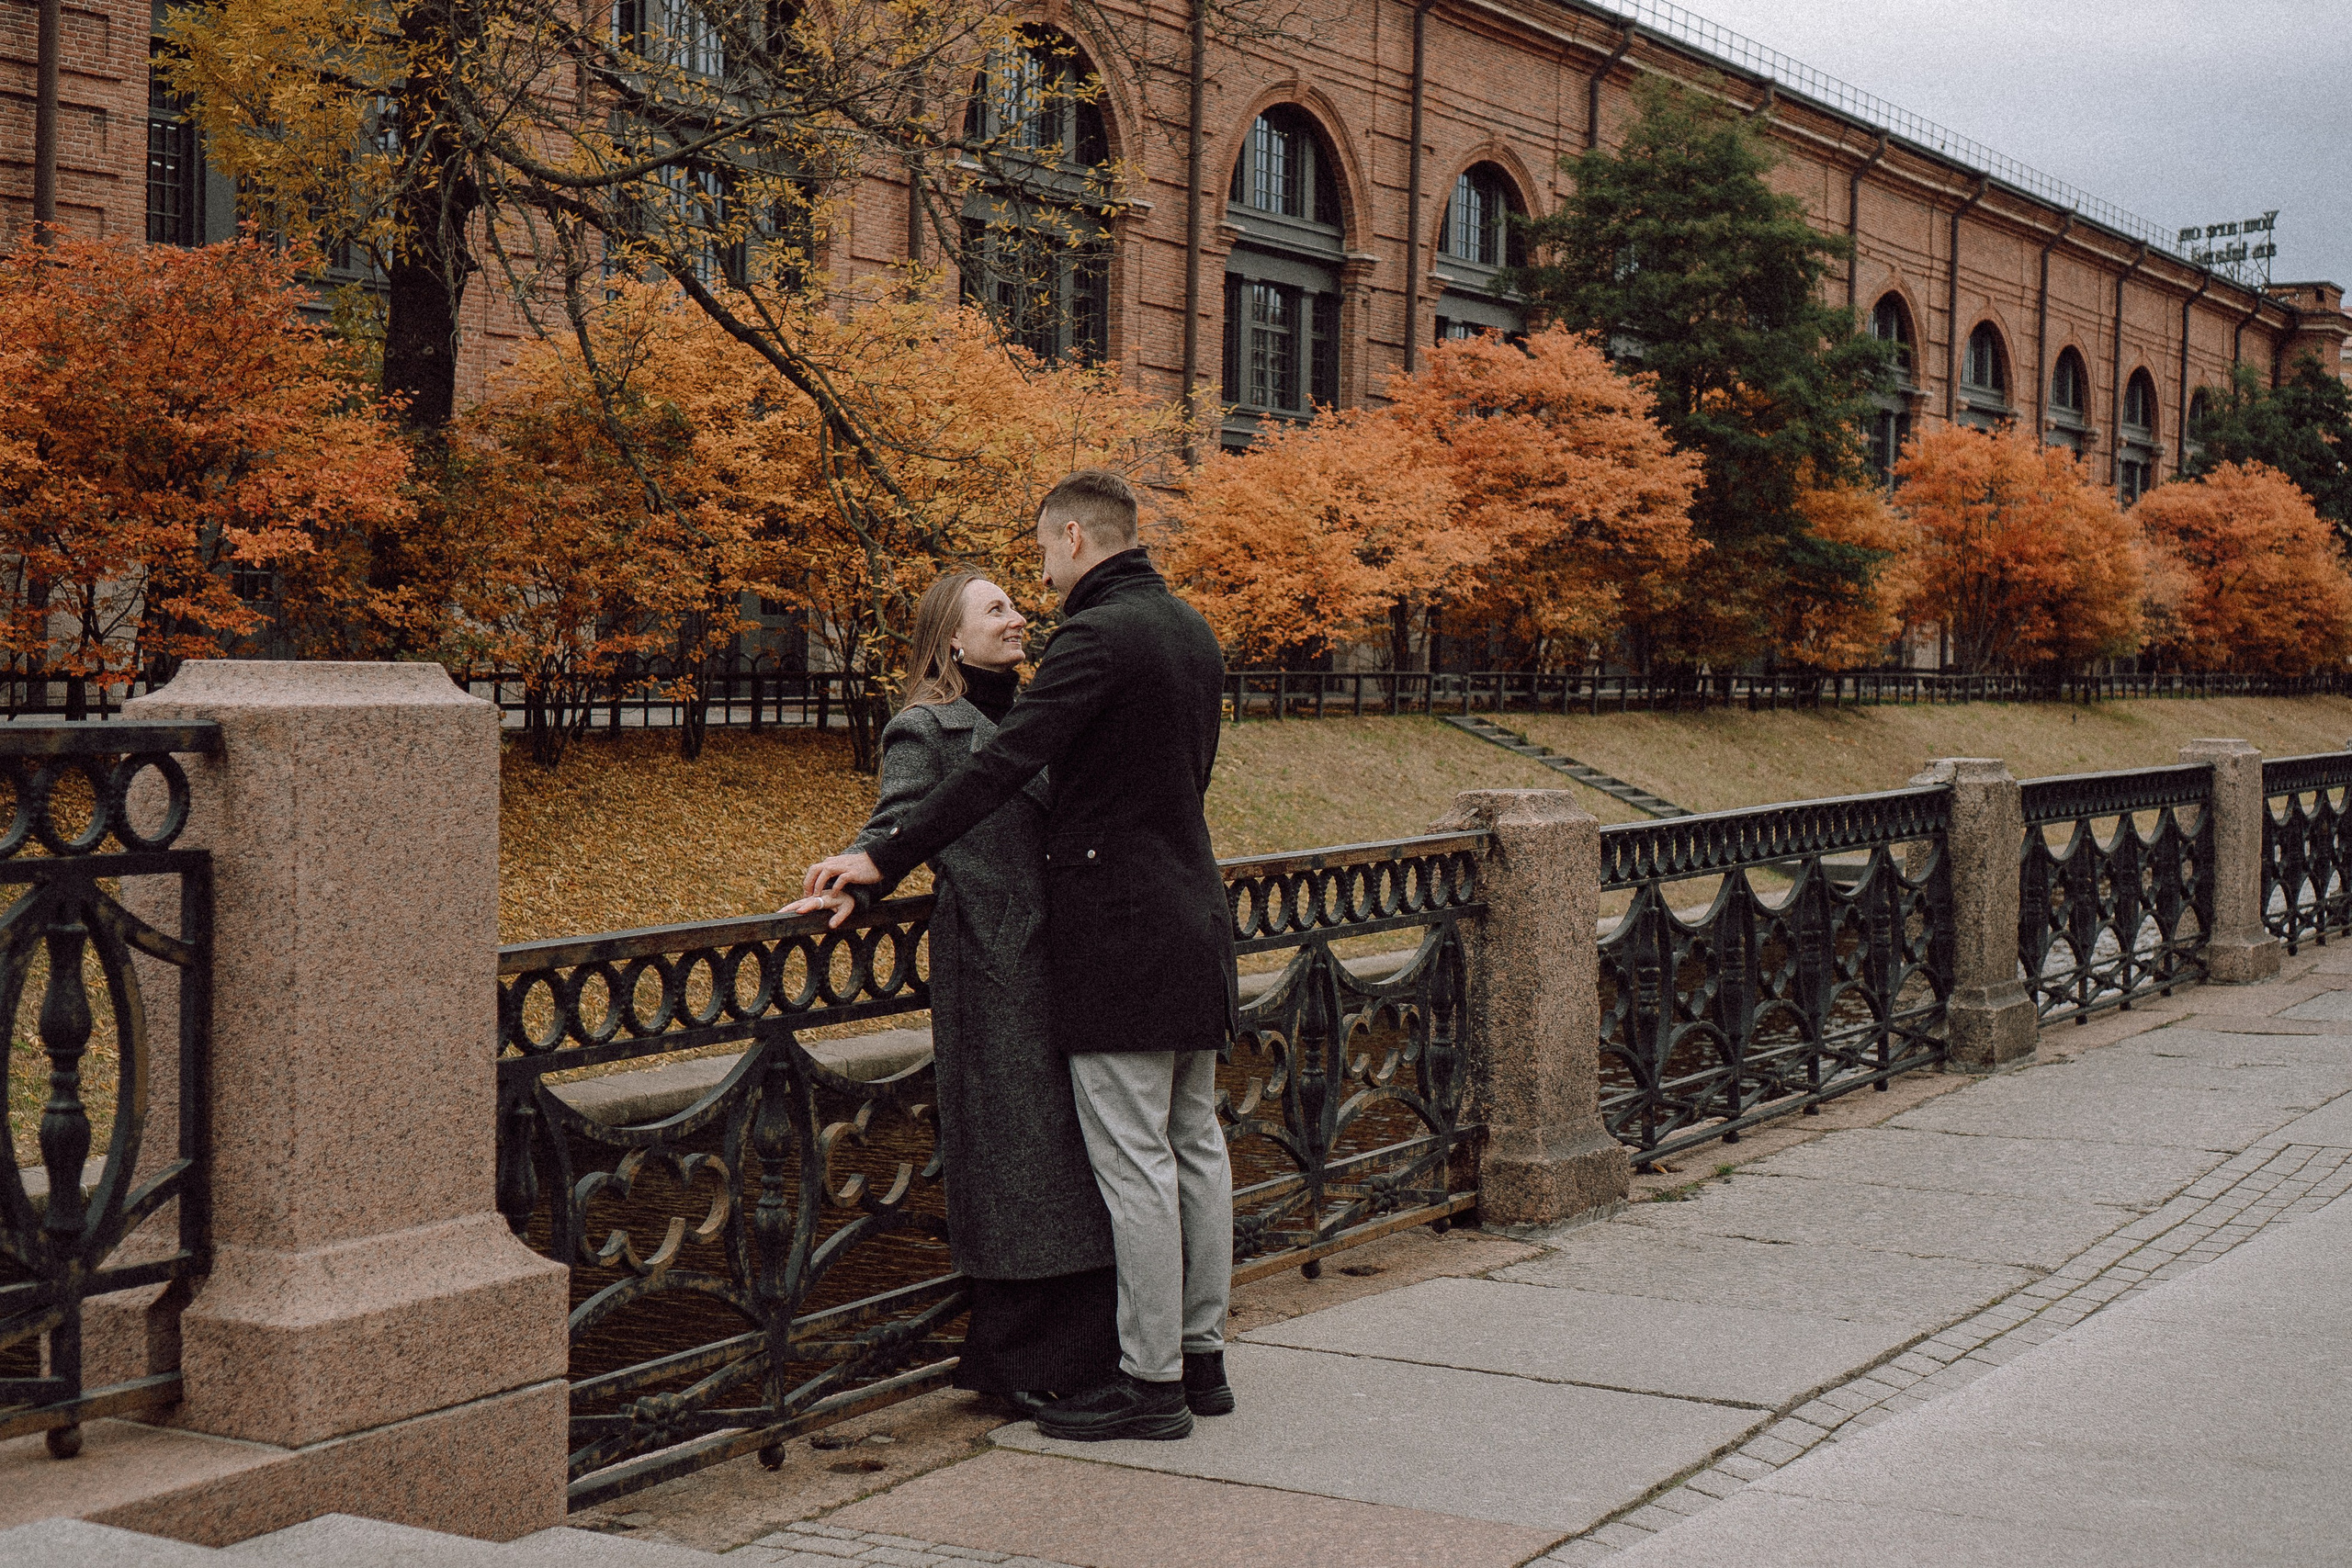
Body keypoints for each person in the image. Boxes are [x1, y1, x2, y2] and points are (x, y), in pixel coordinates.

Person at [803, 468, 1237, 1444]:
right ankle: (1202, 1362)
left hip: (1117, 940)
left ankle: (1153, 1383)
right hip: (1191, 920)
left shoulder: (1097, 636)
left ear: (1077, 537)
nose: (1039, 585)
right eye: (997, 599)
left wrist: (879, 859)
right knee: (1194, 1148)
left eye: (1040, 557)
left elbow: (1004, 763)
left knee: (1139, 1167)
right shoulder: (1192, 631)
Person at [786, 571, 1122, 1414]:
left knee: (1078, 1160)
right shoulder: (925, 727)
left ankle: (1088, 1351)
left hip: (1073, 957)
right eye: (996, 609)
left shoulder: (1046, 711)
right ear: (950, 641)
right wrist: (853, 884)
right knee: (1023, 1163)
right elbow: (895, 822)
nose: (1018, 618)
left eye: (1016, 603)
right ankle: (1022, 1363)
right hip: (999, 968)